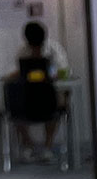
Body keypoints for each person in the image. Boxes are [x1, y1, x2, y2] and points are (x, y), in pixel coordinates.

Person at [7, 21, 70, 160]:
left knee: (55, 101)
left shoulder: (54, 49)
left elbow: (64, 71)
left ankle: (48, 147)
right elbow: (15, 72)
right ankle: (28, 143)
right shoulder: (23, 51)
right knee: (13, 104)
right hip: (28, 96)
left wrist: (51, 75)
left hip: (50, 95)